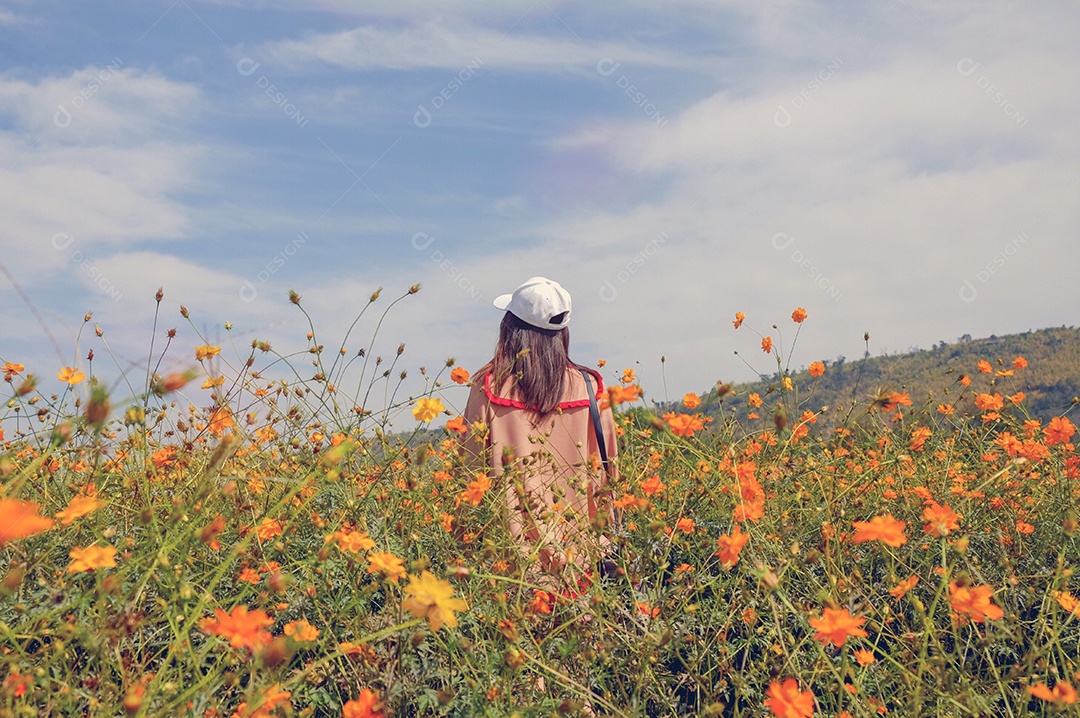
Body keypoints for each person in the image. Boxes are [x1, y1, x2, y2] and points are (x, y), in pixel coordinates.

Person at [462, 277, 618, 587]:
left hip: (510, 568)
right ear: (563, 333)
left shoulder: (489, 387)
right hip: (583, 564)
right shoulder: (591, 390)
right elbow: (607, 476)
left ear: (510, 330)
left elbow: (470, 473)